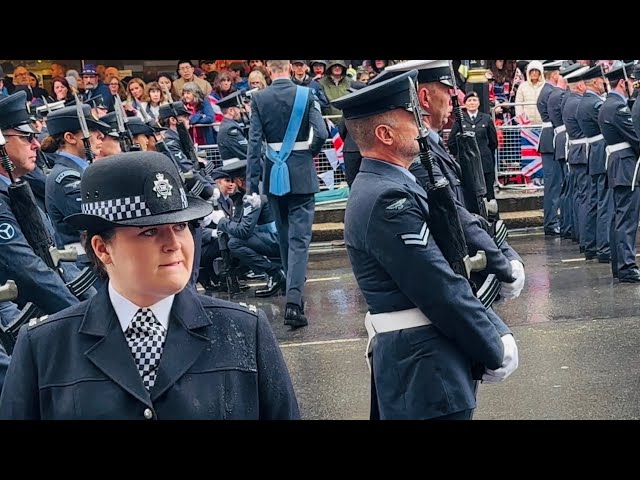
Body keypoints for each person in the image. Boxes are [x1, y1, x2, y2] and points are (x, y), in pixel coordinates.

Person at [0, 151, 300, 419]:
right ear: (103, 249)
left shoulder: (244, 330)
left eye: (180, 226)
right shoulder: (44, 347)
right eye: (149, 232)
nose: (173, 244)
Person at [333, 69, 518, 420]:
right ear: (385, 134)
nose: (421, 125)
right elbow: (440, 287)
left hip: (424, 369)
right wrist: (495, 345)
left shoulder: (393, 183)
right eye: (411, 117)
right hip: (424, 376)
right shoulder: (387, 198)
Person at [246, 60, 329, 328]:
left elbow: (254, 145)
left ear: (269, 72)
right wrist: (307, 155)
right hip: (301, 172)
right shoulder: (306, 94)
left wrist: (251, 186)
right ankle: (294, 301)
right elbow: (322, 132)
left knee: (283, 237)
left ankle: (290, 289)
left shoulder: (259, 98)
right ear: (291, 70)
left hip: (274, 175)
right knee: (300, 239)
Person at [0, 91, 95, 315]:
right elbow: (28, 269)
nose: (36, 144)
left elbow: (51, 253)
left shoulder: (15, 189)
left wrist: (91, 302)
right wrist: (81, 313)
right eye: (25, 138)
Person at [209, 159, 284, 297]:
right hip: (279, 237)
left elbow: (243, 231)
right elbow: (237, 224)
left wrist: (221, 220)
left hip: (278, 239)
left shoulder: (253, 196)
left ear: (239, 181)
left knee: (235, 243)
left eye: (232, 180)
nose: (230, 185)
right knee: (233, 239)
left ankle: (275, 273)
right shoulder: (250, 192)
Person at [597, 62, 639, 282]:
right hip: (625, 167)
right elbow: (636, 139)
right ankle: (626, 266)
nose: (633, 85)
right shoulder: (618, 107)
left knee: (619, 217)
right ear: (623, 82)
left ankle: (620, 265)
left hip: (616, 164)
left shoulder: (608, 104)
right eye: (631, 81)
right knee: (627, 219)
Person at [576, 65, 611, 263]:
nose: (604, 84)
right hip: (601, 153)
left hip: (594, 154)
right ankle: (604, 247)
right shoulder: (595, 103)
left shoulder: (585, 101)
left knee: (594, 201)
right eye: (602, 81)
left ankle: (591, 244)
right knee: (604, 203)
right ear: (596, 82)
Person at [446, 90, 498, 200]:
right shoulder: (460, 120)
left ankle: (492, 216)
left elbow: (493, 142)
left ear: (479, 103)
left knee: (488, 194)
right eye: (469, 100)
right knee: (471, 194)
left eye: (474, 100)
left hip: (485, 162)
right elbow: (451, 142)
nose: (472, 103)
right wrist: (461, 155)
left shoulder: (486, 118)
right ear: (465, 104)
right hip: (467, 163)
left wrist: (485, 153)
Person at [537, 60, 565, 236]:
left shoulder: (545, 91)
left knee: (553, 183)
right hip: (552, 138)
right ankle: (551, 221)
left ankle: (552, 220)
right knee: (554, 184)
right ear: (554, 75)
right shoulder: (553, 92)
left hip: (549, 137)